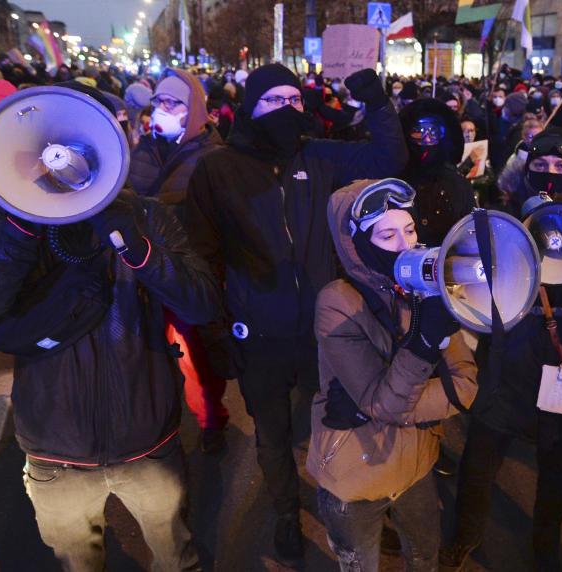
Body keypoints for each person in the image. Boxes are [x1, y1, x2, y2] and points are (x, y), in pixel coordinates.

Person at [0, 83, 221, 571]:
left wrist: (138, 249)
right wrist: (25, 221)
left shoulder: (148, 215)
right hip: (57, 453)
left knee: (175, 557)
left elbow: (202, 303)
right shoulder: (9, 218)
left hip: (148, 444)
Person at [185, 63, 407, 566]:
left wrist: (378, 105)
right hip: (259, 333)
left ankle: (360, 509)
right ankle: (287, 512)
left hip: (327, 332)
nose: (287, 109)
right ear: (251, 108)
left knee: (348, 424)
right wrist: (216, 330)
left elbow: (388, 158)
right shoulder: (217, 170)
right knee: (273, 433)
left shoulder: (320, 155)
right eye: (273, 100)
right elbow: (203, 253)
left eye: (294, 100)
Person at [441, 131, 562, 571]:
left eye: (561, 166)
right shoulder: (502, 217)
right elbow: (470, 276)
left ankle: (545, 546)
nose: (550, 174)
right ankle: (465, 534)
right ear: (526, 167)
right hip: (508, 357)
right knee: (481, 454)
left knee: (556, 462)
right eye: (541, 164)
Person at [308, 178, 478, 571]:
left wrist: (384, 405)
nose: (406, 245)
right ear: (357, 245)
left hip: (416, 465)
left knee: (423, 555)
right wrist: (423, 344)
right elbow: (387, 404)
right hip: (356, 476)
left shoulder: (422, 286)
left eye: (410, 229)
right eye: (387, 235)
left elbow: (465, 386)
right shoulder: (338, 301)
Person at [129, 69, 230, 453]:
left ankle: (211, 422)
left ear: (194, 110)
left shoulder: (213, 156)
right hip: (141, 272)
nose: (163, 109)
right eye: (159, 101)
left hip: (185, 273)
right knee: (145, 356)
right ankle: (152, 429)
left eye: (173, 103)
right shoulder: (144, 148)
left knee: (196, 363)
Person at [398, 97, 477, 246]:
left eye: (433, 132)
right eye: (419, 132)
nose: (427, 140)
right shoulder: (396, 183)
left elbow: (470, 233)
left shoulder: (457, 183)